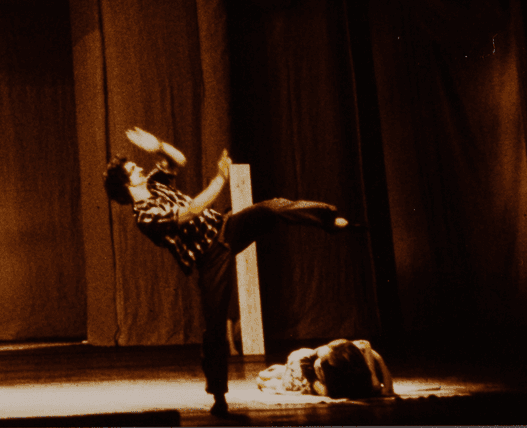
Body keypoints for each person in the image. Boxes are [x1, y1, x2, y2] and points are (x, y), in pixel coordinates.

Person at [103, 127, 359, 416]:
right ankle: (219, 396)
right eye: (132, 169)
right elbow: (192, 211)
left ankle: (329, 218)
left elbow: (178, 161)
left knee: (272, 208)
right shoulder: (145, 216)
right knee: (214, 327)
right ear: (126, 185)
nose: (139, 167)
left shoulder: (155, 184)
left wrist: (158, 146)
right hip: (209, 258)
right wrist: (220, 179)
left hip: (225, 228)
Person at [257, 338, 393, 398]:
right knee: (289, 372)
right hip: (303, 358)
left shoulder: (335, 387)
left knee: (273, 379)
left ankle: (282, 371)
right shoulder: (330, 354)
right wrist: (374, 376)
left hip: (308, 370)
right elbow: (366, 344)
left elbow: (386, 388)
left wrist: (376, 378)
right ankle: (282, 370)